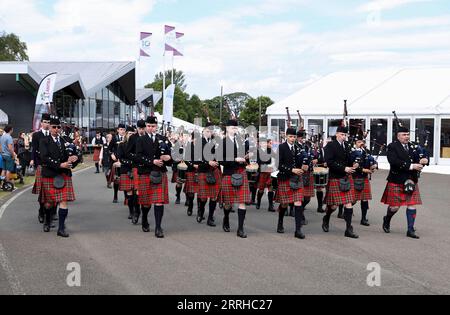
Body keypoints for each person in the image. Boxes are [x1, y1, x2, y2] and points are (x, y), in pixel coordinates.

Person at [381, 125, 429, 239]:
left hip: (411, 180)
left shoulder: (413, 146)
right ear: (398, 136)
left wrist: (425, 160)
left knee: (411, 205)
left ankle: (410, 229)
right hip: (397, 180)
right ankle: (387, 219)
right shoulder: (392, 146)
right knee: (395, 207)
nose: (406, 137)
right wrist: (412, 166)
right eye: (404, 135)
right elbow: (393, 161)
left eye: (407, 134)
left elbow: (423, 153)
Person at [39, 116, 81, 237]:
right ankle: (47, 221)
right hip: (50, 174)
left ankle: (61, 228)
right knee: (48, 203)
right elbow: (44, 158)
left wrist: (75, 159)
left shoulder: (65, 140)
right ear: (50, 128)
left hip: (64, 175)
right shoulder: (44, 141)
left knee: (63, 201)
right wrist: (60, 164)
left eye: (58, 127)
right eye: (54, 127)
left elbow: (75, 155)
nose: (56, 129)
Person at [136, 116, 173, 238]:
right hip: (146, 173)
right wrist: (153, 161)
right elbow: (139, 156)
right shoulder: (140, 140)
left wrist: (169, 159)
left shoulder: (163, 139)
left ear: (156, 126)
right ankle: (145, 218)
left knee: (159, 201)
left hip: (159, 173)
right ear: (146, 126)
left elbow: (169, 157)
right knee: (146, 203)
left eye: (153, 126)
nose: (151, 128)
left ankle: (158, 227)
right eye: (148, 126)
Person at [322, 126, 359, 239]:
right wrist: (344, 168)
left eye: (345, 135)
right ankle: (326, 218)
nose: (344, 137)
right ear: (337, 134)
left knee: (348, 203)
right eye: (342, 134)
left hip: (346, 178)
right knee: (333, 206)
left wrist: (354, 164)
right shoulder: (330, 145)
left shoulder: (347, 146)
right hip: (335, 177)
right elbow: (329, 162)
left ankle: (348, 228)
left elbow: (349, 160)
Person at [217, 120, 251, 238]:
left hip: (241, 172)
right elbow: (220, 160)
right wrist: (234, 159)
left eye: (236, 128)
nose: (234, 130)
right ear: (227, 128)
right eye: (232, 128)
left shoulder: (242, 141)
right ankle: (226, 217)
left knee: (242, 201)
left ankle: (240, 229)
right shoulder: (222, 143)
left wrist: (248, 157)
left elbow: (246, 155)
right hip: (228, 173)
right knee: (228, 203)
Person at [276, 128, 307, 239]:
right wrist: (291, 170)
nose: (292, 139)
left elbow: (303, 160)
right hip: (285, 178)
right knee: (284, 204)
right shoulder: (281, 147)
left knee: (298, 202)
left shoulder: (299, 147)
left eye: (294, 137)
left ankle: (298, 230)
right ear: (286, 136)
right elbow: (279, 165)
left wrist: (305, 166)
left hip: (297, 178)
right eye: (290, 137)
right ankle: (280, 221)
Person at [193, 122, 221, 227]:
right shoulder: (199, 142)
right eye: (208, 131)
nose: (209, 133)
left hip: (213, 171)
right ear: (203, 131)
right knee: (204, 197)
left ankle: (210, 217)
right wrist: (208, 162)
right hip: (203, 171)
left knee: (214, 196)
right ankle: (201, 211)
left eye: (211, 131)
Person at [31, 114, 52, 224]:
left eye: (48, 122)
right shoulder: (36, 135)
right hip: (41, 165)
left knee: (52, 191)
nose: (47, 124)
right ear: (41, 123)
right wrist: (33, 162)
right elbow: (34, 149)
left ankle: (51, 213)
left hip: (52, 166)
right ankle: (41, 211)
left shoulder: (53, 134)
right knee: (42, 192)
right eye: (45, 122)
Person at [256, 138, 276, 212]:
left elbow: (276, 156)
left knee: (270, 187)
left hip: (269, 171)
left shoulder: (269, 150)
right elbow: (259, 161)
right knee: (261, 189)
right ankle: (258, 202)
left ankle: (270, 206)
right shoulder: (258, 151)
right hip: (262, 171)